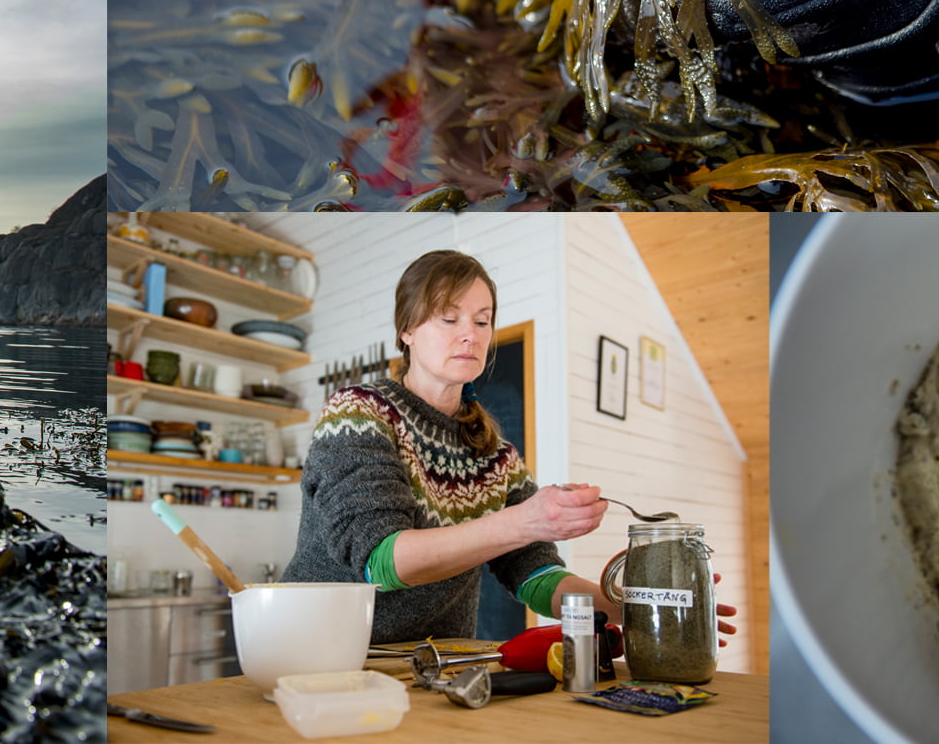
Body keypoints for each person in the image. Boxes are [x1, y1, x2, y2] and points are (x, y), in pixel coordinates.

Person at [282, 248, 738, 646]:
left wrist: (633, 605)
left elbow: (537, 577)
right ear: (407, 329)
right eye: (449, 318)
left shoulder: (494, 455)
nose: (471, 334)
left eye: (483, 321)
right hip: (318, 654)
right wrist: (524, 521)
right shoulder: (358, 414)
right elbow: (383, 562)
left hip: (430, 663)